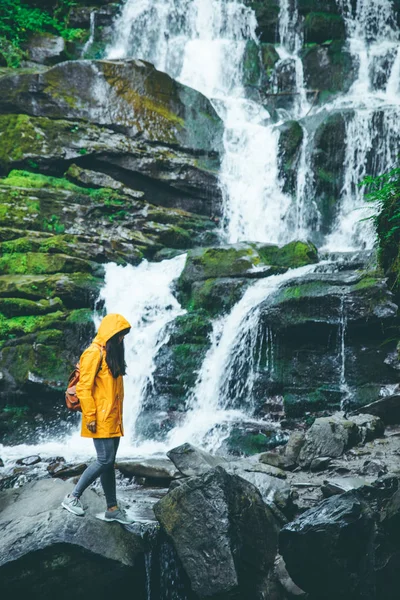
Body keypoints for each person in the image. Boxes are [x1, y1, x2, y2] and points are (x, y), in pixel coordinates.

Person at [61, 313, 133, 524]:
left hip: (112, 419)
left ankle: (112, 508)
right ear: (110, 333)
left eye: (123, 336)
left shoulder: (111, 355)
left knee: (108, 463)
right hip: (98, 418)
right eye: (119, 335)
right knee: (104, 460)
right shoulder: (93, 353)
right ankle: (72, 497)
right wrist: (90, 416)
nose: (121, 340)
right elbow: (83, 388)